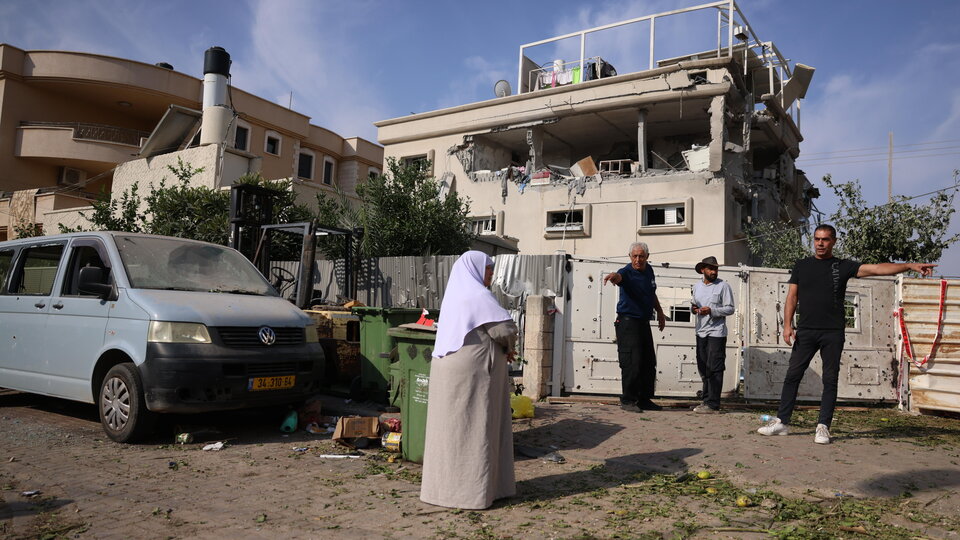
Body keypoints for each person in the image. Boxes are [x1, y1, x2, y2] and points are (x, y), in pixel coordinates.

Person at [758, 224, 935, 443]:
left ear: (833, 241)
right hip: (806, 331)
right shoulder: (802, 265)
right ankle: (782, 422)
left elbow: (877, 269)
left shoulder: (842, 266)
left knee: (830, 379)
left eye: (825, 239)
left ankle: (823, 426)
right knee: (793, 375)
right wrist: (787, 325)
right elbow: (792, 297)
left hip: (832, 332)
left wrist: (909, 266)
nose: (820, 243)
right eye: (817, 239)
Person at [420, 251, 518, 509]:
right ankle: (471, 494)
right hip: (473, 374)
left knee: (450, 430)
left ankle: (441, 491)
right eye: (487, 269)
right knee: (475, 428)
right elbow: (505, 329)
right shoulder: (477, 295)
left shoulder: (455, 295)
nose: (491, 274)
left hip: (448, 371)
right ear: (474, 269)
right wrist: (509, 348)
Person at [602, 242, 667, 412]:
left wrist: (659, 312)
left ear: (647, 256)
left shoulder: (649, 270)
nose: (638, 260)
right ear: (630, 256)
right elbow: (619, 277)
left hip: (644, 322)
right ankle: (628, 401)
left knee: (648, 362)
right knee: (632, 362)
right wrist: (613, 277)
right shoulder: (626, 272)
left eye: (641, 256)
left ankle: (644, 399)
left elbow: (651, 293)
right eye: (634, 256)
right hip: (628, 322)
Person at [691, 256, 735, 413]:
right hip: (700, 331)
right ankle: (706, 401)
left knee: (715, 367)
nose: (714, 271)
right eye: (710, 268)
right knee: (703, 367)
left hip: (716, 333)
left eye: (715, 268)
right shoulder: (696, 287)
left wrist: (712, 311)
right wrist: (695, 309)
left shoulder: (723, 286)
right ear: (703, 270)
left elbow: (730, 308)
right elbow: (694, 305)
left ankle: (713, 404)